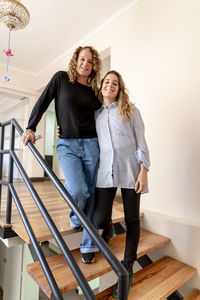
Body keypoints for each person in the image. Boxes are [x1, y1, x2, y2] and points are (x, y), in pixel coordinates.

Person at [22, 46, 102, 264]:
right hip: (66, 145)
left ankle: (88, 244)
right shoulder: (61, 79)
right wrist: (30, 127)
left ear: (94, 66)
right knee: (78, 190)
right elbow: (43, 101)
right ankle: (76, 216)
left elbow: (104, 119)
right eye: (82, 59)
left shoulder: (95, 91)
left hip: (92, 145)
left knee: (91, 194)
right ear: (76, 60)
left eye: (90, 61)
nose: (86, 63)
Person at [93, 70, 150, 297]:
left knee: (132, 220)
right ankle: (107, 230)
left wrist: (143, 171)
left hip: (130, 171)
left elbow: (141, 143)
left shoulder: (131, 111)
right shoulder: (95, 114)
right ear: (101, 87)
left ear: (119, 88)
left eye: (114, 83)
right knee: (99, 218)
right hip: (105, 171)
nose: (110, 85)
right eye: (107, 81)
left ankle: (127, 267)